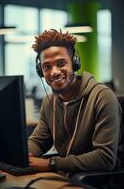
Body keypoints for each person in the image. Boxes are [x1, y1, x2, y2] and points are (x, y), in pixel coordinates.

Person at [28, 29, 123, 175]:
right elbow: (38, 141)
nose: (54, 72)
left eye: (61, 63)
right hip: (67, 175)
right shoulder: (49, 102)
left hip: (98, 181)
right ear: (41, 71)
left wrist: (52, 163)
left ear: (74, 63)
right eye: (47, 66)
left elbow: (105, 158)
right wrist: (22, 155)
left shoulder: (102, 97)